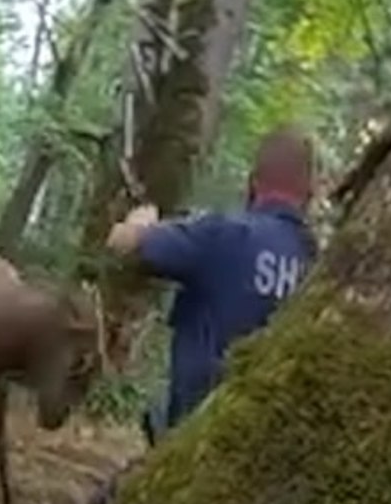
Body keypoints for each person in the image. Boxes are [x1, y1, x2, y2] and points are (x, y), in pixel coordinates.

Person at [106, 126, 318, 445]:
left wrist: (140, 221)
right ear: (310, 192)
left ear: (253, 182)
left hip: (197, 433)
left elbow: (122, 243)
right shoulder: (317, 263)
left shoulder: (223, 234)